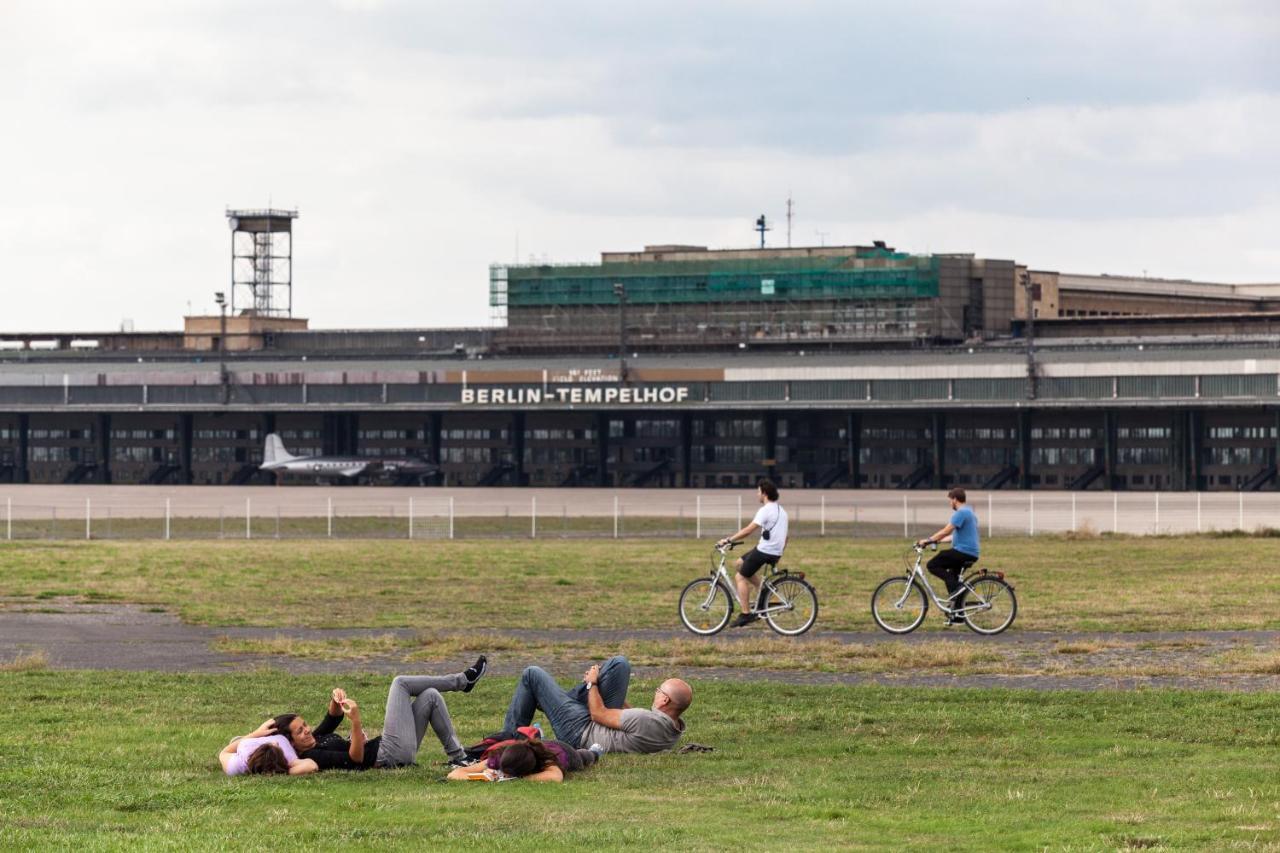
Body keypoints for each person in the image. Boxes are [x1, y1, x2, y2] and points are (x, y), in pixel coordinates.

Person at [267, 657, 487, 771]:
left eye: (304, 724)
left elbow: (332, 718)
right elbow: (356, 760)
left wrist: (336, 700)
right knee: (399, 683)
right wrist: (356, 722)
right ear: (291, 742)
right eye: (300, 731)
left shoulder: (314, 740)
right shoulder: (311, 757)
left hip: (392, 751)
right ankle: (462, 681)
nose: (307, 730)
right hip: (387, 755)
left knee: (430, 696)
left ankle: (459, 757)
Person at [500, 655, 690, 755]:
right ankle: (557, 699)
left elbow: (598, 714)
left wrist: (593, 683)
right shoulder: (673, 731)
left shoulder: (644, 719)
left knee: (532, 674)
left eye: (659, 690)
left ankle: (507, 742)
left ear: (665, 700)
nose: (655, 692)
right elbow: (628, 719)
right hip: (596, 725)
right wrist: (612, 688)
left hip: (579, 732)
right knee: (620, 665)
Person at [717, 479, 789, 628]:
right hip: (774, 551)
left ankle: (745, 614)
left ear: (764, 493)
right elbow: (786, 537)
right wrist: (778, 554)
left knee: (740, 577)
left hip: (765, 550)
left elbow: (749, 530)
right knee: (739, 564)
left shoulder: (765, 510)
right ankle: (763, 590)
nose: (757, 494)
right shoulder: (782, 511)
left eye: (758, 492)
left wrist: (728, 540)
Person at [916, 487, 980, 626]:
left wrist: (928, 540)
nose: (950, 503)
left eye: (950, 500)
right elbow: (953, 536)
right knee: (951, 577)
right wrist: (935, 541)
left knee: (932, 565)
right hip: (970, 552)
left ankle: (959, 590)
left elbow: (946, 530)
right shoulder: (970, 513)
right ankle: (958, 614)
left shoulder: (960, 513)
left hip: (964, 552)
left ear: (955, 499)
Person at [446, 735, 602, 782]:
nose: (503, 774)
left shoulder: (547, 761)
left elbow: (556, 776)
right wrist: (480, 777)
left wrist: (517, 779)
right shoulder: (501, 757)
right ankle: (538, 733)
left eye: (507, 773)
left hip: (565, 752)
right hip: (538, 744)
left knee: (585, 757)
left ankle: (595, 751)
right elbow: (455, 774)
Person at [218, 732, 318, 776]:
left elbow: (224, 753)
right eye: (277, 747)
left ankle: (244, 737)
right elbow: (312, 765)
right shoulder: (288, 755)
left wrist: (255, 733)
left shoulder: (236, 765)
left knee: (235, 742)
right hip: (278, 738)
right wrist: (282, 772)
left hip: (246, 742)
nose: (276, 743)